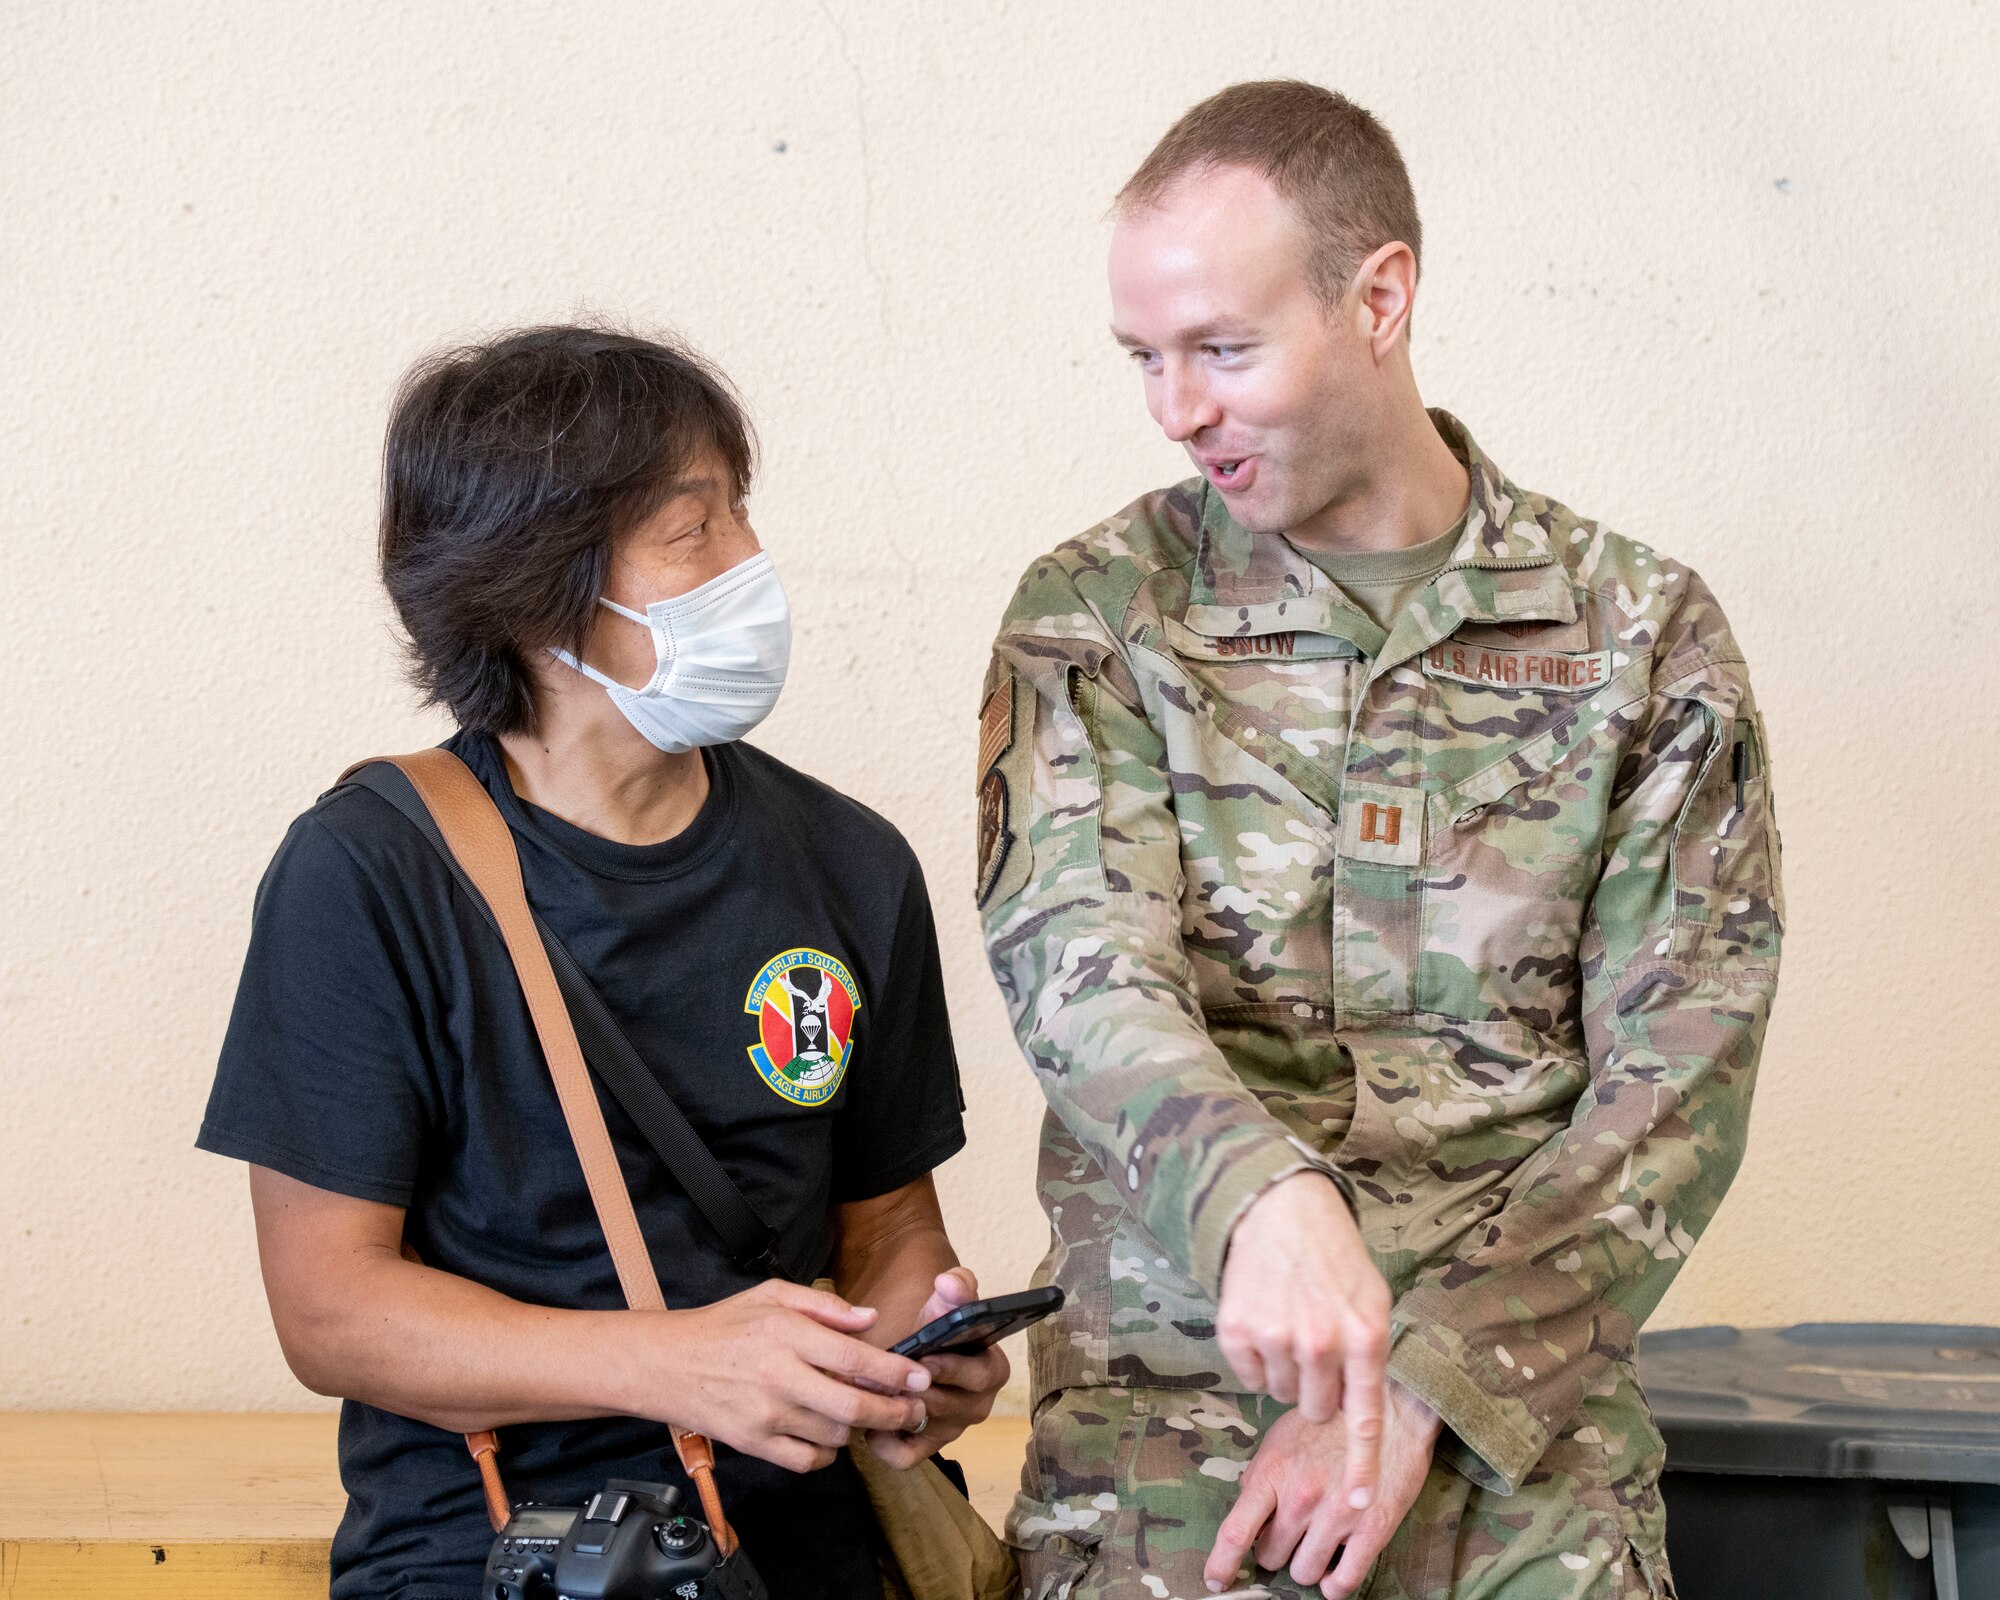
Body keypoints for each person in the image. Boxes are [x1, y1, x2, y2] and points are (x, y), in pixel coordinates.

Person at [978, 81, 1781, 1600]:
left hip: (1521, 1462)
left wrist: (1428, 1380)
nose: (1177, 408)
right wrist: (1261, 1205)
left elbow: (1683, 1075)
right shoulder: (1098, 612)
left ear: (1380, 298)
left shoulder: (1640, 636)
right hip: (1169, 1470)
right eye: (1145, 358)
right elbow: (1083, 974)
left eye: (1224, 348)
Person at [198, 324, 1007, 1600]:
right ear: (534, 592)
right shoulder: (367, 873)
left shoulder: (851, 861)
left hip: (816, 1548)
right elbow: (328, 1308)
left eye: (741, 515)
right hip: (500, 1552)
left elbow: (891, 1225)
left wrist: (909, 1350)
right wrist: (673, 1362)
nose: (751, 565)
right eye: (694, 533)